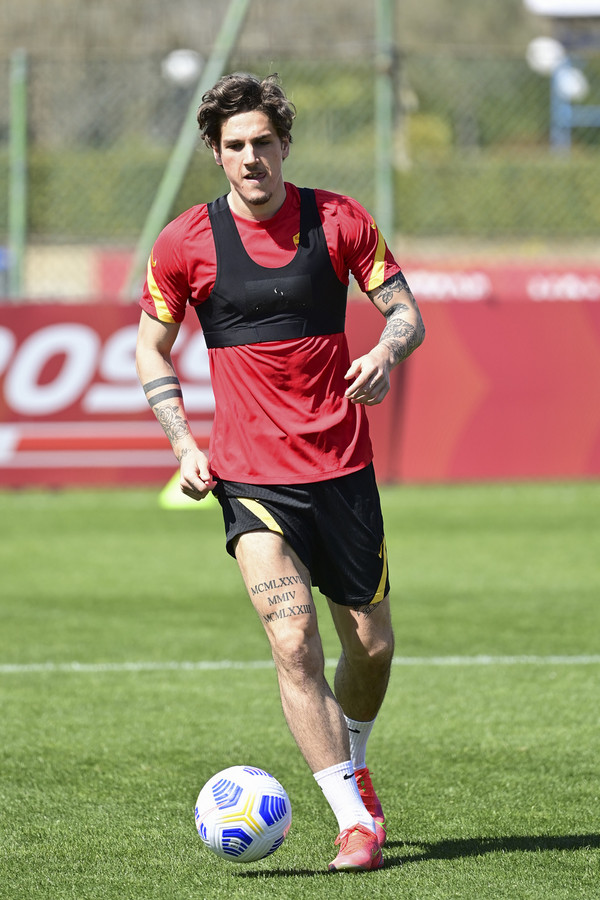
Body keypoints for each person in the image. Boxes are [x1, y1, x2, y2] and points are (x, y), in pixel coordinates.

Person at [136, 72, 425, 872]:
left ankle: (354, 762)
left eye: (263, 142)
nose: (251, 157)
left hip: (342, 468)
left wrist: (385, 350)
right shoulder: (184, 243)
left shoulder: (340, 220)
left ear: (285, 144)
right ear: (216, 153)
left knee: (371, 647)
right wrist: (183, 444)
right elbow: (151, 346)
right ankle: (352, 823)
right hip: (251, 478)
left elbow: (406, 312)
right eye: (235, 145)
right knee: (292, 638)